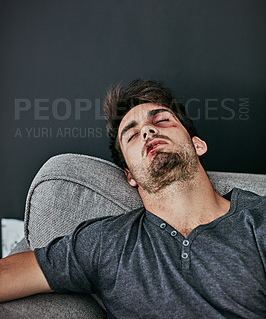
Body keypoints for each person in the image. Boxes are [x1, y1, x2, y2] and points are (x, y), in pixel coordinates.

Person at [0, 79, 265, 318]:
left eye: (161, 121)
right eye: (132, 134)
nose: (148, 131)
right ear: (130, 176)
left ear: (198, 145)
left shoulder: (257, 221)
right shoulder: (105, 243)